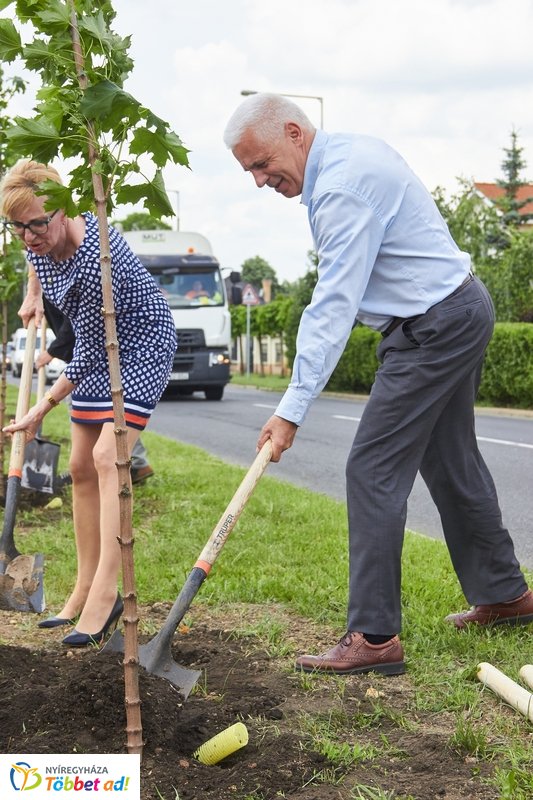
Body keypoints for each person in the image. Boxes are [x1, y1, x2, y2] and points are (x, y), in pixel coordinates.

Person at [223, 93, 533, 676]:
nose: (260, 180)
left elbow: (332, 305)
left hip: (434, 326)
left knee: (372, 469)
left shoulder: (341, 188)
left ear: (294, 132)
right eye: (250, 172)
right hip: (453, 309)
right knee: (451, 460)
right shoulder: (347, 156)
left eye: (262, 164)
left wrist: (290, 409)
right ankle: (506, 595)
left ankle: (373, 637)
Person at [1, 159, 176, 647]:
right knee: (79, 466)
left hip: (141, 344)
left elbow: (91, 351)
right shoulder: (37, 238)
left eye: (37, 224)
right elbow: (35, 257)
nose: (29, 237)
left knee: (106, 457)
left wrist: (41, 408)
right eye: (17, 227)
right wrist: (34, 294)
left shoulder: (100, 260)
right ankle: (81, 587)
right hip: (96, 344)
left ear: (64, 210)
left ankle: (106, 594)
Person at [35, 300, 155, 485]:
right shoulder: (44, 290)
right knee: (108, 412)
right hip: (89, 354)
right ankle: (134, 463)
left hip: (94, 355)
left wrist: (52, 351)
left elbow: (74, 323)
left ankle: (129, 464)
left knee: (101, 411)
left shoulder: (66, 286)